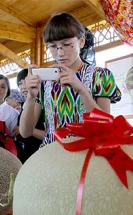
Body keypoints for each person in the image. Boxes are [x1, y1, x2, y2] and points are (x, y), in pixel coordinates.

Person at [20, 12, 121, 147]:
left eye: (67, 44)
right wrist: (31, 98)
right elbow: (25, 132)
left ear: (81, 41)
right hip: (51, 156)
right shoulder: (45, 80)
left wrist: (82, 90)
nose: (60, 53)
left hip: (88, 155)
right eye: (53, 46)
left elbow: (106, 127)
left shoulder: (100, 76)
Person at [15, 69, 46, 163]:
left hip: (37, 154)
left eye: (26, 81)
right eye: (20, 83)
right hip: (25, 153)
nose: (23, 87)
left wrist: (23, 128)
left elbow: (48, 134)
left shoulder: (38, 102)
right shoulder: (26, 103)